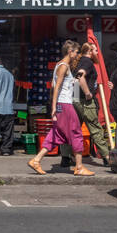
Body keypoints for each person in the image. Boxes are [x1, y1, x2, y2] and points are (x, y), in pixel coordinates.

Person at [28, 40, 93, 176]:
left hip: (61, 104)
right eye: (76, 52)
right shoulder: (64, 66)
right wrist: (53, 107)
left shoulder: (60, 65)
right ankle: (79, 167)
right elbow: (56, 87)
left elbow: (54, 85)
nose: (77, 55)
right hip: (65, 105)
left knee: (56, 134)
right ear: (70, 52)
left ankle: (36, 160)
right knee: (76, 132)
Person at [59, 41, 112, 169]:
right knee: (95, 128)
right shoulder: (87, 62)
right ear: (89, 51)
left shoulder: (76, 62)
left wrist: (76, 98)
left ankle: (65, 158)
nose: (97, 53)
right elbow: (79, 77)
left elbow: (74, 82)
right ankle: (107, 158)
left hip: (75, 99)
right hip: (85, 102)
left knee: (70, 128)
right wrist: (88, 94)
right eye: (95, 51)